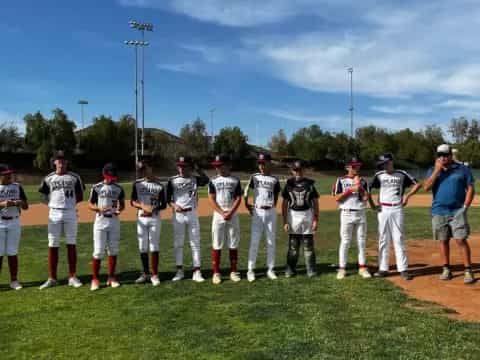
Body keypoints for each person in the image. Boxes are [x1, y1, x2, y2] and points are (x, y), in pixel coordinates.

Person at [424, 144, 475, 284]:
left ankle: (468, 270)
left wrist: (465, 206)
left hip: (457, 211)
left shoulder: (462, 169)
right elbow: (426, 187)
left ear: (451, 155)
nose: (443, 157)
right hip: (439, 211)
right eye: (440, 155)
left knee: (460, 240)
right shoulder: (432, 170)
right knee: (443, 240)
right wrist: (436, 170)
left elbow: (470, 188)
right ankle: (446, 268)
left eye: (446, 155)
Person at [368, 153, 421, 280]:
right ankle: (383, 268)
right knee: (383, 239)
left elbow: (417, 184)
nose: (384, 166)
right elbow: (367, 189)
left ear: (391, 161)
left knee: (399, 238)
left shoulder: (402, 174)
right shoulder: (379, 175)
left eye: (386, 163)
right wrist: (372, 204)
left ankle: (403, 269)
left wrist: (407, 196)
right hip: (383, 209)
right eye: (382, 164)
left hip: (397, 208)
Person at [38, 151, 84, 290]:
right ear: (54, 162)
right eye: (59, 160)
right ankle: (52, 278)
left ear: (67, 162)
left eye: (63, 160)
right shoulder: (49, 178)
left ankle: (72, 276)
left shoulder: (74, 177)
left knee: (71, 243)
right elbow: (43, 196)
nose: (61, 162)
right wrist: (53, 205)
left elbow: (80, 195)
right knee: (53, 244)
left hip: (70, 212)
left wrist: (70, 205)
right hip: (54, 213)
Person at [166, 156, 209, 283]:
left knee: (195, 243)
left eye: (184, 166)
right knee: (178, 243)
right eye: (179, 166)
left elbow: (206, 180)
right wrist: (174, 206)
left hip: (192, 213)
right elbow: (168, 199)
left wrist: (197, 168)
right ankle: (179, 271)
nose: (181, 168)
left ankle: (197, 271)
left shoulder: (195, 179)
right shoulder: (172, 180)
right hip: (178, 215)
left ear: (189, 167)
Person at [332, 157, 371, 280]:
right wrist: (350, 190)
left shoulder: (363, 181)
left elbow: (365, 198)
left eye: (358, 166)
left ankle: (362, 267)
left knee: (361, 241)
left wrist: (360, 188)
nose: (356, 168)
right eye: (353, 166)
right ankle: (342, 268)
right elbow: (337, 198)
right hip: (346, 213)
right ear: (347, 167)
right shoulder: (341, 180)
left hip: (360, 212)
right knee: (345, 241)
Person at [88, 163, 125, 291]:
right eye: (109, 176)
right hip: (100, 221)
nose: (111, 179)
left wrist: (119, 210)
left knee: (113, 250)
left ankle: (112, 277)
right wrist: (98, 208)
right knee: (98, 251)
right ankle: (95, 279)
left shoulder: (119, 188)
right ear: (104, 174)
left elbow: (122, 204)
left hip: (114, 221)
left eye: (113, 177)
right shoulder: (97, 187)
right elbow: (90, 204)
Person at [130, 156, 167, 286]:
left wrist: (154, 208)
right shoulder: (137, 184)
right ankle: (146, 273)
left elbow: (164, 204)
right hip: (141, 218)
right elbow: (132, 202)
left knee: (154, 246)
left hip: (155, 218)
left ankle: (155, 274)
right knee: (142, 247)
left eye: (144, 169)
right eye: (140, 170)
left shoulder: (159, 185)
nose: (142, 172)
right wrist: (143, 206)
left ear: (150, 168)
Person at [244, 153, 281, 282]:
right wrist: (246, 204)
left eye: (264, 163)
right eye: (259, 163)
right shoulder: (254, 177)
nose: (261, 165)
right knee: (255, 241)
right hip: (257, 212)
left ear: (269, 163)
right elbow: (246, 191)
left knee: (271, 242)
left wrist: (272, 207)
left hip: (270, 212)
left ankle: (270, 269)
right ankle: (250, 270)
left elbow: (276, 195)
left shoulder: (275, 179)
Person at [208, 154, 242, 285]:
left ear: (228, 165)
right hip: (218, 214)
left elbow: (238, 198)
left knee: (233, 242)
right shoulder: (213, 180)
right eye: (216, 166)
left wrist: (231, 212)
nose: (217, 168)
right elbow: (211, 198)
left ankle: (233, 271)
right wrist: (222, 212)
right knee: (217, 242)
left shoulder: (235, 180)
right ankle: (216, 272)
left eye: (220, 166)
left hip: (232, 214)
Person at [282, 160, 319, 278]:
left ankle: (311, 270)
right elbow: (284, 204)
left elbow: (315, 203)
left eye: (300, 169)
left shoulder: (310, 184)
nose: (298, 172)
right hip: (293, 215)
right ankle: (290, 269)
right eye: (295, 170)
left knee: (308, 245)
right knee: (293, 245)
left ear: (304, 170)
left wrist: (315, 219)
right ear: (292, 171)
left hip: (307, 214)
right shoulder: (289, 184)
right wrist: (285, 221)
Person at [0, 164, 28, 290]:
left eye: (9, 174)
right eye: (6, 174)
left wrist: (19, 202)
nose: (9, 176)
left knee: (12, 252)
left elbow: (26, 206)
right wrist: (3, 204)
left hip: (14, 222)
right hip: (0, 222)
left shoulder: (17, 187)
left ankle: (14, 280)